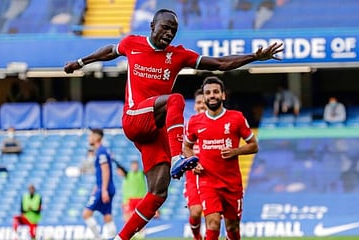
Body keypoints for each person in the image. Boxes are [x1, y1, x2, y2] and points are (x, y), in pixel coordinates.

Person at [64, 8, 282, 240]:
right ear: (152, 26)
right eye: (165, 28)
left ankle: (120, 238)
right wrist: (80, 62)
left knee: (158, 193)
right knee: (176, 100)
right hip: (134, 118)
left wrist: (254, 57)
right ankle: (179, 157)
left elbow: (219, 63)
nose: (169, 33)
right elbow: (110, 50)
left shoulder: (178, 55)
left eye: (174, 30)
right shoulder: (132, 43)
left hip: (154, 130)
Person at [184, 76, 259, 240]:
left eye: (216, 92)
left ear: (223, 95)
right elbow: (187, 146)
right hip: (207, 181)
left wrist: (236, 151)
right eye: (208, 93)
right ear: (204, 97)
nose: (212, 95)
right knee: (213, 224)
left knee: (232, 227)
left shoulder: (236, 118)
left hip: (232, 183)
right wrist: (192, 162)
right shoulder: (194, 122)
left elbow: (254, 145)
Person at [83, 128, 117, 240]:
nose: (89, 138)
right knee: (107, 216)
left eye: (91, 135)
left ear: (97, 137)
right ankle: (114, 238)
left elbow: (105, 170)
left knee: (86, 214)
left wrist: (103, 190)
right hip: (105, 187)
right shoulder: (103, 150)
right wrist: (97, 187)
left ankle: (97, 238)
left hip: (104, 188)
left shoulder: (101, 151)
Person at [184, 88, 206, 240]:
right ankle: (197, 236)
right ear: (194, 105)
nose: (201, 105)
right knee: (196, 212)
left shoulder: (217, 123)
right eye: (199, 102)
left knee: (214, 218)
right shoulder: (188, 125)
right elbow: (183, 148)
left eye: (204, 102)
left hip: (213, 175)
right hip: (193, 177)